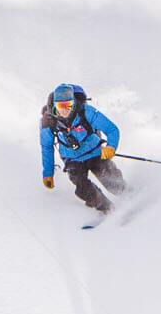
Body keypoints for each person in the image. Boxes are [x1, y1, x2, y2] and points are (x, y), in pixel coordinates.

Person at [39, 83, 127, 215]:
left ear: (74, 103)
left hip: (95, 152)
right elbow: (46, 147)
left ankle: (129, 195)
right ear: (55, 106)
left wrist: (111, 147)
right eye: (60, 106)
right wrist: (48, 173)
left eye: (68, 105)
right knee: (83, 188)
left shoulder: (86, 111)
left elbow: (112, 130)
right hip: (72, 159)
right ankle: (108, 209)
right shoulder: (49, 122)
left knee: (110, 179)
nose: (65, 110)